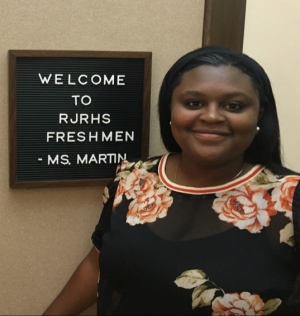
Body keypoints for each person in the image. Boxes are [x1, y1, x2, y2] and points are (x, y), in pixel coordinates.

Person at [43, 46, 300, 315]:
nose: (211, 116)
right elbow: (97, 264)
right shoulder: (132, 178)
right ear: (170, 110)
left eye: (233, 105)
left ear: (258, 115)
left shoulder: (290, 198)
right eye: (193, 103)